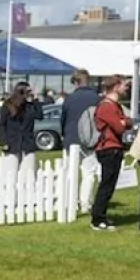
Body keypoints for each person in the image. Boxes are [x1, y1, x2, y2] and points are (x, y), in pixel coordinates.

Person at [90, 74, 131, 231]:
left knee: (110, 184)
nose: (126, 88)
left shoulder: (115, 106)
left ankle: (101, 215)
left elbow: (126, 122)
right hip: (108, 148)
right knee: (106, 185)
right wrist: (124, 122)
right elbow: (119, 127)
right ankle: (97, 218)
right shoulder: (107, 106)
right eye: (124, 85)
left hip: (115, 147)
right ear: (116, 86)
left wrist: (124, 121)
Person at [60, 69, 101, 215]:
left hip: (71, 139)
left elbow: (63, 120)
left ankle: (71, 202)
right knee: (88, 173)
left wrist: (64, 135)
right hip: (90, 139)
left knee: (70, 172)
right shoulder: (96, 98)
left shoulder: (69, 98)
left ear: (76, 82)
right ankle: (85, 204)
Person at [0, 82, 39, 199]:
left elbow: (39, 115)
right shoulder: (8, 105)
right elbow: (2, 125)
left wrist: (36, 99)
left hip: (27, 143)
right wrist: (4, 142)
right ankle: (10, 197)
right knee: (11, 172)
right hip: (12, 143)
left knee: (29, 172)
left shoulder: (29, 106)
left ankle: (27, 197)